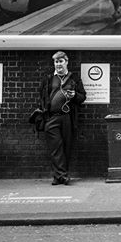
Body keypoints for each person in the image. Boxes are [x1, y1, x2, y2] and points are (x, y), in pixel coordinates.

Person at [38, 51, 87, 185]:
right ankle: (62, 176)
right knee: (55, 147)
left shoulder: (74, 78)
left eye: (60, 61)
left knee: (66, 147)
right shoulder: (48, 79)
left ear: (66, 62)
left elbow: (82, 97)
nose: (58, 64)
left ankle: (58, 176)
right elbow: (42, 97)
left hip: (67, 118)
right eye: (56, 62)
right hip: (52, 118)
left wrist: (74, 95)